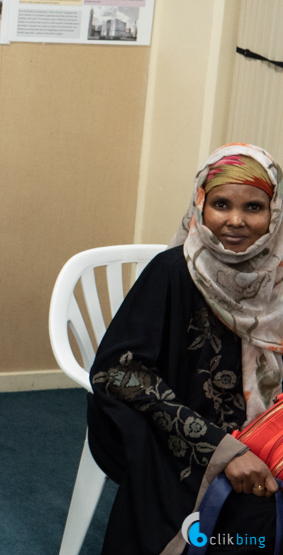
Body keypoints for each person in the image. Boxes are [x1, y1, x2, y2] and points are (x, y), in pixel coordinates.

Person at [88, 143, 283, 554]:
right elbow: (118, 372)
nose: (235, 221)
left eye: (253, 208)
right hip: (184, 436)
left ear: (274, 213)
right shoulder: (174, 272)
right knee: (251, 515)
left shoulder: (279, 281)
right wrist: (220, 448)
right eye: (221, 204)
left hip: (268, 429)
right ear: (200, 205)